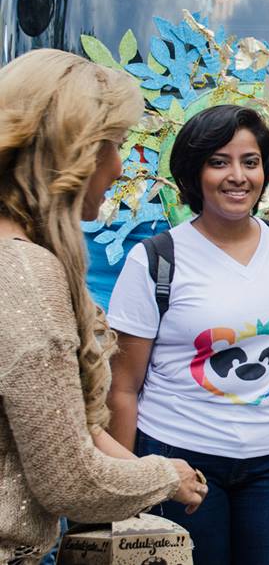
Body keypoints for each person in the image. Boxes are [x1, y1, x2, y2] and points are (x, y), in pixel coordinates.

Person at [0, 49, 207, 563]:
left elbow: (58, 427)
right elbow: (68, 480)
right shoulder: (26, 272)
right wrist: (164, 475)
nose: (119, 167)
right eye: (113, 145)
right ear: (71, 150)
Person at [107, 105, 269, 565]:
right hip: (179, 459)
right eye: (219, 162)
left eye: (250, 162)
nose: (237, 176)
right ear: (193, 173)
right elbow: (122, 387)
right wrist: (124, 487)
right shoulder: (156, 259)